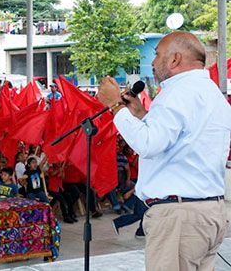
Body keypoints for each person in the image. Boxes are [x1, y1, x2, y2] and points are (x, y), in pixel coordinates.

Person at [98, 31, 231, 271]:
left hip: (179, 219)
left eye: (158, 54)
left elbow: (149, 145)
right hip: (208, 212)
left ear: (174, 60)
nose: (153, 61)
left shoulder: (176, 93)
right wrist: (140, 115)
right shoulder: (212, 93)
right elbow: (180, 142)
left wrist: (115, 105)